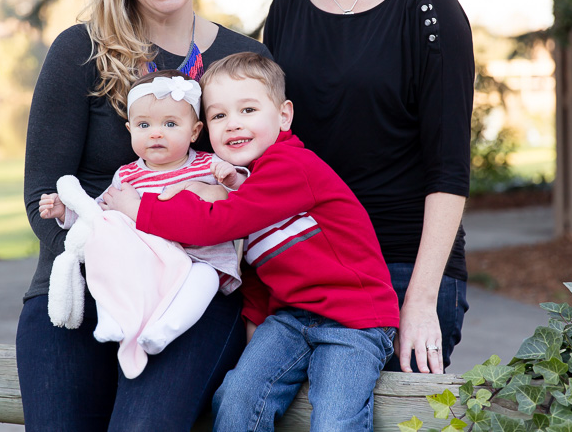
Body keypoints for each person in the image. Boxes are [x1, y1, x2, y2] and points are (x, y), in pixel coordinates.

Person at [17, 0, 270, 431]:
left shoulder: (245, 60)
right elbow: (43, 192)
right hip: (84, 286)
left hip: (191, 292)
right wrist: (117, 263)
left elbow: (266, 190)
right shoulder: (80, 51)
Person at [263, 0, 475, 374]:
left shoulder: (428, 6)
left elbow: (449, 168)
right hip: (311, 267)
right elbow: (272, 145)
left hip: (403, 267)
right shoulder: (286, 9)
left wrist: (420, 301)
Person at [102, 52, 400, 432]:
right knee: (236, 398)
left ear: (284, 116)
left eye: (248, 110)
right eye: (219, 115)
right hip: (290, 319)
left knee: (334, 418)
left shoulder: (290, 166)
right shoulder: (243, 182)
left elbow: (219, 224)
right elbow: (256, 269)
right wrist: (255, 325)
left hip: (353, 318)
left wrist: (140, 209)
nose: (233, 124)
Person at [39, 71, 246, 379]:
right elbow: (97, 212)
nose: (156, 134)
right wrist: (64, 212)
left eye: (170, 124)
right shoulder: (127, 176)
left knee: (206, 280)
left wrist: (231, 178)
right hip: (147, 264)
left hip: (199, 258)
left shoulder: (208, 164)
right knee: (108, 254)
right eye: (144, 125)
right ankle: (114, 320)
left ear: (194, 131)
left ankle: (164, 330)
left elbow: (243, 199)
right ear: (130, 129)